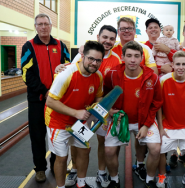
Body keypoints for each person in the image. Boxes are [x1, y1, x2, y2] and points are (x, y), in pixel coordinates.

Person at [55, 25, 121, 187]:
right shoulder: (81, 55)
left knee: (102, 141)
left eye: (112, 38)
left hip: (100, 108)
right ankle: (75, 171)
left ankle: (101, 172)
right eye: (105, 37)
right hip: (81, 108)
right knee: (78, 141)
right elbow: (69, 72)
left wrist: (109, 108)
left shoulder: (116, 60)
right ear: (98, 36)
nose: (108, 41)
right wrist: (59, 68)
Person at [45, 41, 105, 188]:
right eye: (91, 58)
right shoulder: (66, 75)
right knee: (62, 157)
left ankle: (81, 183)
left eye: (98, 60)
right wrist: (75, 112)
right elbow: (50, 101)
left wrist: (100, 110)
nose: (94, 63)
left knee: (84, 150)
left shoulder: (98, 76)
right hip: (57, 122)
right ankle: (60, 187)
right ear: (82, 56)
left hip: (80, 123)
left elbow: (98, 97)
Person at [104, 41, 162, 188]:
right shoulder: (112, 74)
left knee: (155, 149)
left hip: (143, 120)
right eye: (129, 55)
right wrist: (109, 111)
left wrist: (146, 124)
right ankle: (114, 180)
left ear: (142, 57)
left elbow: (156, 103)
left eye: (136, 56)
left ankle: (149, 179)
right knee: (109, 150)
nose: (132, 60)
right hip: (119, 120)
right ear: (122, 57)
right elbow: (104, 96)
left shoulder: (152, 77)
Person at [21, 13, 70, 182]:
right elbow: (26, 74)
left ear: (50, 26)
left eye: (46, 24)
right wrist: (45, 91)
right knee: (38, 135)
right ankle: (40, 168)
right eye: (40, 24)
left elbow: (68, 68)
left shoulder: (60, 45)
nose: (43, 27)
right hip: (37, 99)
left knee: (57, 133)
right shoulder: (29, 46)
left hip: (58, 100)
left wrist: (56, 92)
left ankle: (56, 165)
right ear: (35, 26)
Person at [157, 51, 185, 188]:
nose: (181, 67)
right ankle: (161, 175)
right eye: (178, 64)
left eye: (184, 64)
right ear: (172, 65)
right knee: (160, 150)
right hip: (168, 125)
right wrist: (160, 128)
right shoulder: (163, 80)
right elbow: (158, 106)